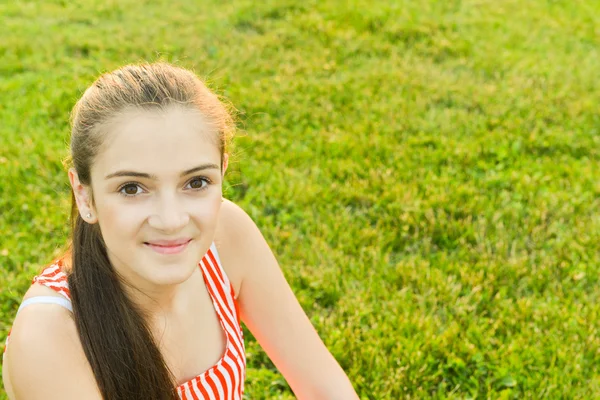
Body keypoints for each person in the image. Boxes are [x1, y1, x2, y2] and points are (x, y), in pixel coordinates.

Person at [1, 62, 359, 400]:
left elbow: (325, 389)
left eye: (196, 182)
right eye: (131, 188)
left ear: (222, 172)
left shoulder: (226, 235)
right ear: (85, 195)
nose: (171, 220)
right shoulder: (50, 334)